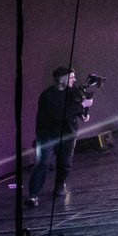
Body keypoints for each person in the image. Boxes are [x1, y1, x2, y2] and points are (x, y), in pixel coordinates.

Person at [28, 64, 88, 208]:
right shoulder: (47, 96)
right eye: (71, 77)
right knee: (43, 163)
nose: (74, 79)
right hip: (47, 134)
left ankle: (60, 186)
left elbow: (73, 108)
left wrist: (82, 113)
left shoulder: (72, 91)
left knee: (65, 164)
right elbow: (59, 114)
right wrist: (82, 106)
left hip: (67, 133)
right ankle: (33, 196)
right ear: (61, 79)